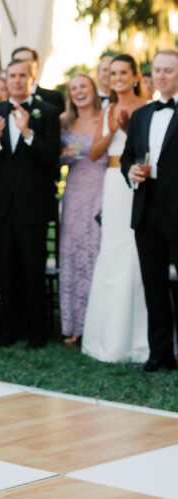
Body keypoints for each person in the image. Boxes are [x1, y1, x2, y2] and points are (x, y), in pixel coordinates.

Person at [0, 58, 61, 348]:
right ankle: (6, 331)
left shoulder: (46, 113)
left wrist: (27, 133)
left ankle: (38, 333)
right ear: (5, 79)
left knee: (32, 272)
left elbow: (52, 161)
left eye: (22, 75)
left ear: (31, 78)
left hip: (32, 209)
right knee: (2, 272)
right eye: (11, 75)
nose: (16, 80)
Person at [82, 54, 149, 363]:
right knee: (112, 251)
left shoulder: (148, 109)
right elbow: (95, 152)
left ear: (135, 76)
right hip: (112, 182)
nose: (118, 77)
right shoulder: (107, 109)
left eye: (124, 72)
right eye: (113, 72)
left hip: (137, 183)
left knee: (135, 253)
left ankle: (138, 340)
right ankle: (107, 338)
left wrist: (131, 128)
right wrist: (113, 129)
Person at [121, 49, 178, 371]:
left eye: (168, 70)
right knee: (153, 286)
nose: (161, 76)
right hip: (146, 210)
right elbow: (129, 157)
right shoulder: (142, 114)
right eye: (157, 70)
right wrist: (130, 171)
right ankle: (160, 355)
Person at [58, 74, 107, 346]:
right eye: (73, 88)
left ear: (93, 89)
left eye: (83, 86)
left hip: (101, 192)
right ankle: (72, 326)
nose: (79, 91)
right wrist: (65, 154)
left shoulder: (106, 116)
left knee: (96, 254)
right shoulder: (65, 121)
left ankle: (95, 324)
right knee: (73, 255)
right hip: (74, 193)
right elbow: (54, 158)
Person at [11, 46, 65, 112]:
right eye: (17, 61)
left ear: (37, 65)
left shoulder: (54, 98)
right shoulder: (3, 97)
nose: (21, 65)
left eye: (26, 61)